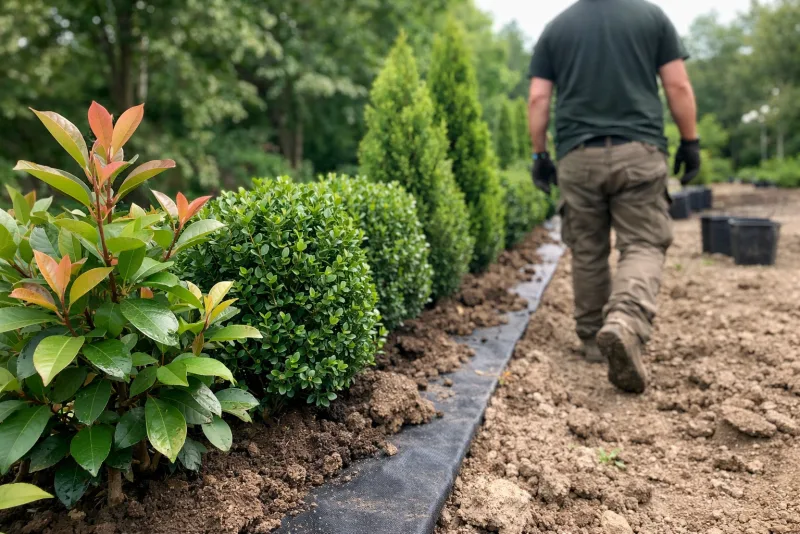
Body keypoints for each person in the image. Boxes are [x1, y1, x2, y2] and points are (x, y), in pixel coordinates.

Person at [527, 0, 701, 394]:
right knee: (643, 242)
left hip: (577, 157)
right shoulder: (651, 17)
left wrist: (539, 155)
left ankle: (592, 340)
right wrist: (690, 141)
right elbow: (677, 84)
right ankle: (624, 321)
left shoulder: (557, 27)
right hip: (639, 152)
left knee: (587, 248)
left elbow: (538, 98)